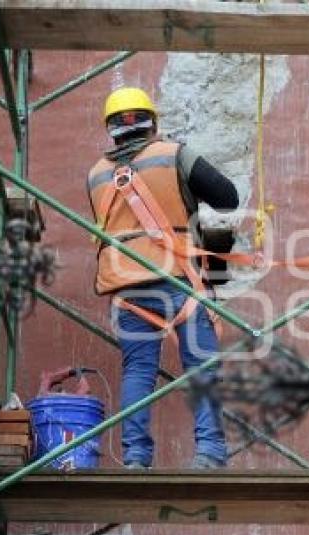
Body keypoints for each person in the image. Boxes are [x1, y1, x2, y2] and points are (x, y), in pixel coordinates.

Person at [86, 87, 239, 469]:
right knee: (201, 366)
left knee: (138, 370)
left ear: (111, 128)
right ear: (151, 121)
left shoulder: (96, 174)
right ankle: (209, 453)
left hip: (125, 287)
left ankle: (136, 457)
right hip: (177, 277)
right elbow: (227, 197)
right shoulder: (173, 155)